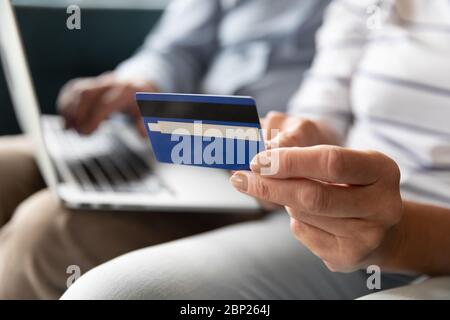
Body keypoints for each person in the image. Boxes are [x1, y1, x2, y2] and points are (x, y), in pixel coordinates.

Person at [62, 0, 450, 300]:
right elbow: (324, 103)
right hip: (343, 218)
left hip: (405, 230)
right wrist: (301, 137)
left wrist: (396, 234)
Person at [0, 0, 330, 299]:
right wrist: (140, 85)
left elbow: (332, 116)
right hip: (163, 132)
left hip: (251, 173)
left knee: (46, 231)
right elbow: (174, 48)